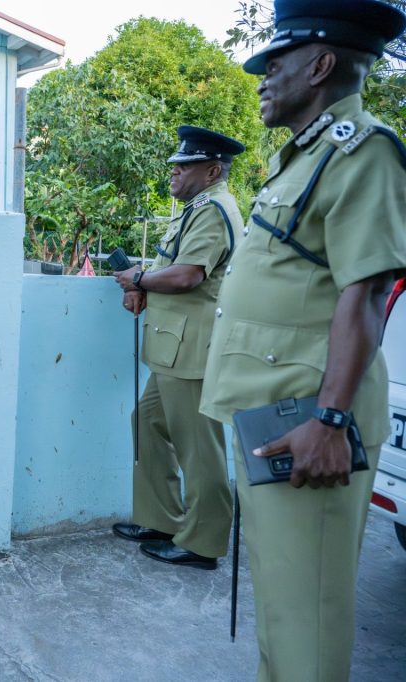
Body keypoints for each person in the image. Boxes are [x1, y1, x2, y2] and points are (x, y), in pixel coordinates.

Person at [199, 1, 406, 679]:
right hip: (274, 411)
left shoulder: (364, 151)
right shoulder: (304, 156)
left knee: (308, 623)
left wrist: (331, 419)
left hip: (308, 422)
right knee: (285, 611)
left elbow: (368, 292)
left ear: (320, 65)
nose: (261, 76)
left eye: (274, 62)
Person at [112, 126, 245, 571]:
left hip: (193, 351)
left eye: (184, 165)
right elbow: (172, 265)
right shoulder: (193, 207)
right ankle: (162, 519)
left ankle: (203, 543)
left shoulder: (213, 209)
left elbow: (189, 275)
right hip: (173, 348)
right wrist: (144, 284)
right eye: (175, 162)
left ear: (211, 171)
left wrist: (139, 280)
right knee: (146, 423)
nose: (174, 169)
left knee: (198, 448)